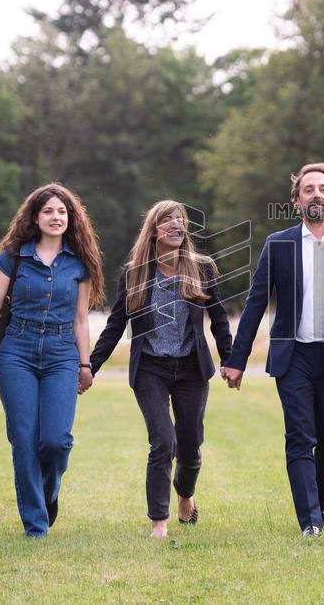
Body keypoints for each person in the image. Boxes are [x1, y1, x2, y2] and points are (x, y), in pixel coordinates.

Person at [222, 162, 324, 537]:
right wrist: (237, 360)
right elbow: (256, 301)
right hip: (293, 357)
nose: (316, 195)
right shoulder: (279, 244)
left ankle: (320, 505)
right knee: (299, 437)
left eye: (323, 189)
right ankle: (309, 521)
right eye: (308, 189)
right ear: (296, 201)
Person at [88, 200, 232, 539]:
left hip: (192, 370)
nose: (177, 227)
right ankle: (159, 521)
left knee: (190, 444)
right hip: (150, 368)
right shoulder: (135, 272)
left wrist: (231, 360)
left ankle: (186, 495)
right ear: (154, 230)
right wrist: (90, 367)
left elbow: (220, 319)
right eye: (168, 222)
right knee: (162, 441)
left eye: (181, 222)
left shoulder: (203, 268)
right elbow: (115, 324)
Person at [0, 183, 104, 538]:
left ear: (71, 217)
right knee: (24, 438)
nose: (55, 217)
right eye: (48, 211)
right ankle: (36, 525)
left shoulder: (79, 264)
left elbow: (80, 319)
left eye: (62, 211)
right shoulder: (13, 256)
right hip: (17, 351)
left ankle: (49, 495)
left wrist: (85, 364)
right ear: (35, 216)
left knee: (56, 441)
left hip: (62, 353)